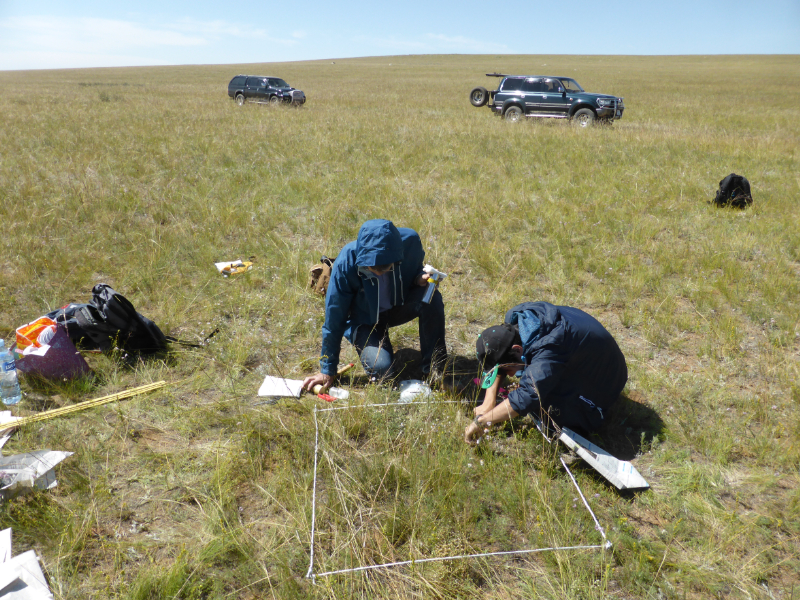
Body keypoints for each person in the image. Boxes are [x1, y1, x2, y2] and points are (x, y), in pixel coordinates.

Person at [302, 219, 447, 392]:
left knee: (432, 297)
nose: (379, 271)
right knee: (382, 372)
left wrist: (419, 278)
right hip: (364, 320)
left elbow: (414, 269)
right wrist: (328, 369)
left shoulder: (410, 242)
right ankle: (376, 345)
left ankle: (435, 368)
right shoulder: (346, 262)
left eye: (385, 267)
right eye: (373, 267)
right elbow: (334, 317)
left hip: (397, 307)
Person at [465, 301, 627, 444]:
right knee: (531, 378)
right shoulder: (515, 320)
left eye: (508, 370)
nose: (510, 376)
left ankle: (586, 413)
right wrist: (489, 402)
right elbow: (500, 364)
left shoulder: (550, 346)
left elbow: (529, 395)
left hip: (605, 377)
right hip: (580, 353)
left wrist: (484, 421)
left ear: (517, 349)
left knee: (547, 411)